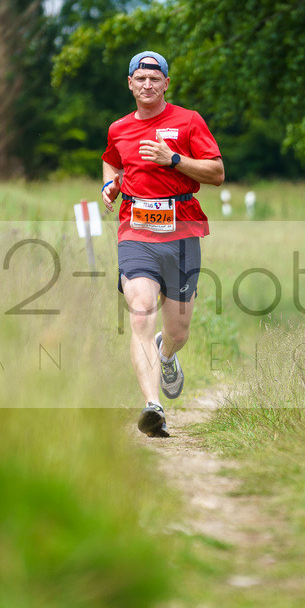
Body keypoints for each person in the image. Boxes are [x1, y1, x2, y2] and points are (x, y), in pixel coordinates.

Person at [101, 50, 224, 437]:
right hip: (135, 230)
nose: (148, 84)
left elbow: (217, 172)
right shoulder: (118, 128)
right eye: (141, 78)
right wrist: (109, 184)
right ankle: (153, 406)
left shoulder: (189, 121)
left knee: (179, 329)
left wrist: (173, 159)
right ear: (130, 84)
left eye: (156, 78)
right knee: (140, 311)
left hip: (183, 230)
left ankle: (166, 355)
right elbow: (111, 160)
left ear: (166, 83)